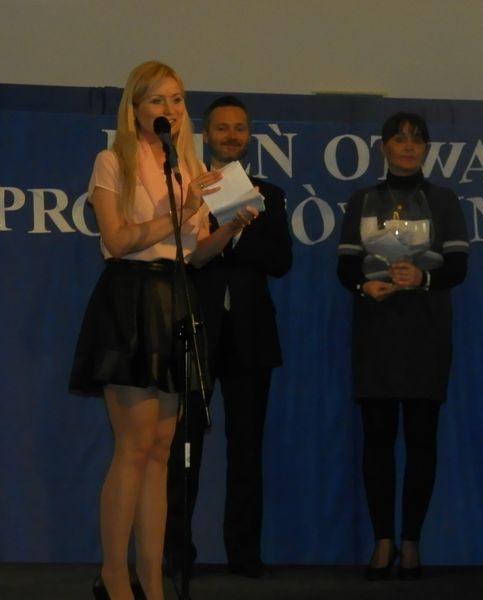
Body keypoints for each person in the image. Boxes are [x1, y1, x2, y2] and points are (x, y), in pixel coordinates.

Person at [69, 61, 257, 600]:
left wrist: (229, 227)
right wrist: (185, 206)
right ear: (135, 109)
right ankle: (114, 575)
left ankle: (152, 582)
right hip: (130, 298)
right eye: (157, 100)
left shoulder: (188, 164)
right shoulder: (113, 161)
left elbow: (194, 254)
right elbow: (117, 239)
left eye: (176, 100)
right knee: (133, 448)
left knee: (160, 451)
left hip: (176, 295)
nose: (169, 110)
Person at [337, 112, 469, 580]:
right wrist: (363, 287)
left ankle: (411, 541)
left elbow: (457, 268)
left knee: (420, 440)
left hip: (425, 331)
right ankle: (382, 541)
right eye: (399, 139)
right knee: (376, 441)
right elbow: (346, 268)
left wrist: (423, 278)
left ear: (427, 149)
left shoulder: (444, 200)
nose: (409, 147)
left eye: (417, 140)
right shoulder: (363, 199)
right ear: (384, 147)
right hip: (376, 330)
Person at [164, 95, 292, 579]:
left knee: (247, 451)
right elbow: (180, 257)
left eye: (239, 128)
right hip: (196, 332)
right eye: (222, 128)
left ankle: (244, 552)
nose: (231, 136)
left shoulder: (269, 194)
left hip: (251, 337)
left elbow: (280, 261)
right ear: (205, 134)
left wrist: (237, 234)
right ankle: (177, 553)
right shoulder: (186, 189)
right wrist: (224, 233)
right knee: (184, 450)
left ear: (249, 135)